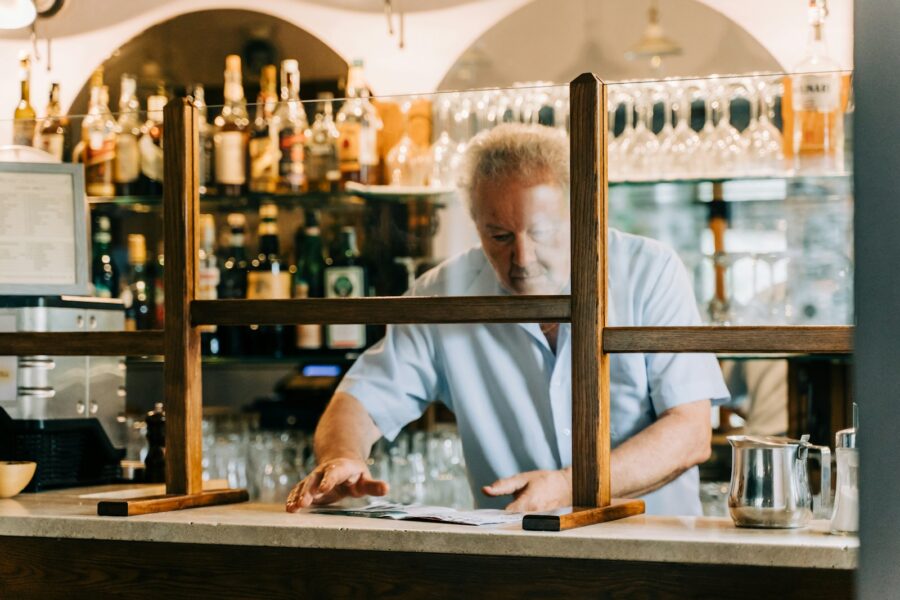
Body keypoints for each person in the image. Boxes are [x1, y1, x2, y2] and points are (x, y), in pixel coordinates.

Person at [286, 123, 729, 515]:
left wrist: (566, 486)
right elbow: (360, 399)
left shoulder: (648, 270)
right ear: (476, 223)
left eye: (540, 232)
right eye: (498, 236)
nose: (522, 257)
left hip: (651, 552)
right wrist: (341, 457)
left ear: (581, 214)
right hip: (516, 558)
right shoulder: (442, 293)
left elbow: (690, 432)